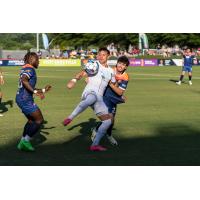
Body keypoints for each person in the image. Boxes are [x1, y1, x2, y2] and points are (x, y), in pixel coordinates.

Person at [63, 47, 114, 151]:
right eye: (99, 54)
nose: (100, 56)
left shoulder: (111, 71)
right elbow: (82, 73)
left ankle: (95, 145)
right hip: (89, 92)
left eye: (103, 54)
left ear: (108, 56)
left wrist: (118, 95)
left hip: (99, 98)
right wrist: (73, 80)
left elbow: (112, 85)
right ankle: (70, 117)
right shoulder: (95, 64)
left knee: (107, 122)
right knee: (92, 97)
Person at [16, 52, 52, 151]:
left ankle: (21, 143)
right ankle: (26, 141)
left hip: (21, 98)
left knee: (31, 120)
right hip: (25, 99)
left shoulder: (25, 68)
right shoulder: (30, 69)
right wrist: (35, 91)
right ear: (32, 59)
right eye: (37, 60)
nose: (39, 62)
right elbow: (24, 81)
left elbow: (28, 85)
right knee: (39, 120)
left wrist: (43, 90)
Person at [91, 56, 130, 146]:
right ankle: (98, 132)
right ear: (117, 63)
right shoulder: (110, 70)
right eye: (119, 63)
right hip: (103, 96)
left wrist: (112, 85)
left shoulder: (125, 77)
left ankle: (107, 134)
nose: (120, 65)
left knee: (111, 121)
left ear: (126, 67)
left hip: (113, 98)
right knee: (108, 119)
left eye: (123, 64)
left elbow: (120, 92)